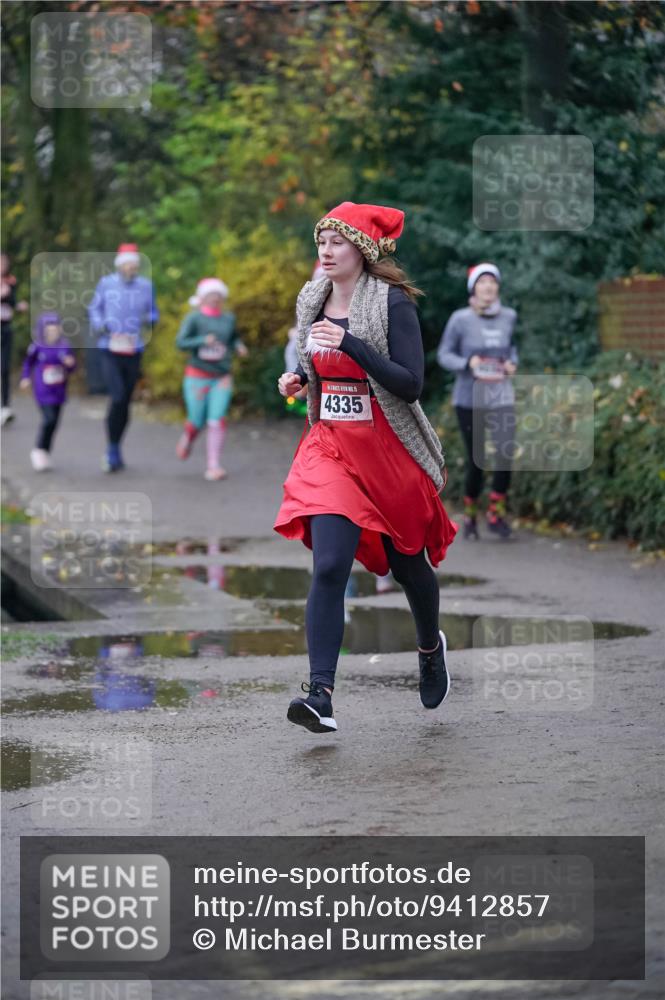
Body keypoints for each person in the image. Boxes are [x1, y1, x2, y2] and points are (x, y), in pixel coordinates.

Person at [274, 201, 457, 734]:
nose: (325, 253)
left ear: (362, 248)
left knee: (408, 566)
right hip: (331, 448)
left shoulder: (391, 303)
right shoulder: (312, 298)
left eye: (336, 243)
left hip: (389, 451)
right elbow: (317, 369)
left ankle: (429, 646)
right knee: (330, 565)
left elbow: (410, 383)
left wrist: (350, 341)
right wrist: (298, 382)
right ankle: (320, 695)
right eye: (321, 243)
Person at [437, 263, 518, 539]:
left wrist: (512, 364)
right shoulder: (460, 319)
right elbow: (444, 354)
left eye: (492, 283)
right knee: (478, 459)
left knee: (505, 453)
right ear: (474, 288)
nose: (488, 287)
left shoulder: (509, 316)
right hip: (469, 398)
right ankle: (471, 517)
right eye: (483, 282)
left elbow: (512, 349)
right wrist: (466, 363)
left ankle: (496, 514)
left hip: (501, 395)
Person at [88, 243, 159, 472]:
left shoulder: (146, 286)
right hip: (109, 347)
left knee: (125, 401)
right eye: (128, 264)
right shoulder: (106, 284)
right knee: (117, 397)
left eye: (135, 264)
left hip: (133, 348)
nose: (132, 267)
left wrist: (149, 319)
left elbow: (153, 311)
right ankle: (111, 449)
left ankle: (115, 446)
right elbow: (94, 309)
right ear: (120, 265)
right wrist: (102, 325)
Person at [175, 277, 248, 481]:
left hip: (221, 376)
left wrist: (239, 346)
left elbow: (233, 338)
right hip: (197, 376)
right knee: (196, 420)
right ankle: (188, 437)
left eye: (218, 295)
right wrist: (201, 340)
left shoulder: (228, 319)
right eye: (210, 295)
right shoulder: (194, 318)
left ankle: (213, 465)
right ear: (203, 297)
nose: (215, 298)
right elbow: (180, 342)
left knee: (216, 419)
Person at [19, 311, 76, 470]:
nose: (53, 331)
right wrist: (25, 378)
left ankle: (45, 452)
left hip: (59, 391)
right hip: (42, 390)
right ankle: (38, 449)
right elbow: (28, 364)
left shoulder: (65, 346)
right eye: (49, 329)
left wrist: (70, 364)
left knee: (55, 422)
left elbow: (72, 367)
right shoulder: (37, 347)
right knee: (48, 419)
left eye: (55, 328)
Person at [1, 252, 29, 426]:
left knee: (4, 368)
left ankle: (5, 407)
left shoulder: (11, 280)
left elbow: (13, 301)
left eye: (4, 262)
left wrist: (16, 303)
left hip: (5, 326)